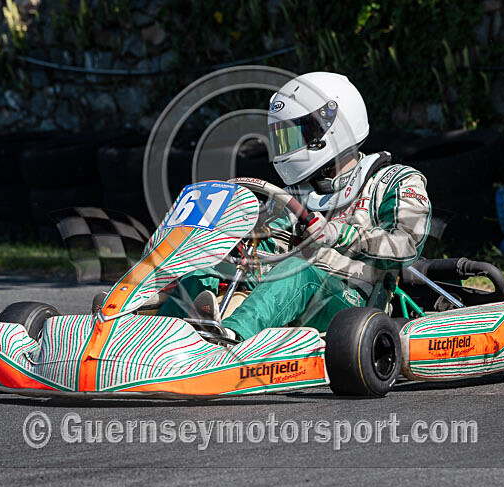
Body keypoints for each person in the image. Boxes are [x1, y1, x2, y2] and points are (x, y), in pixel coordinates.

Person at [158, 71, 431, 341]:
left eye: (299, 134)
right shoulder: (294, 195)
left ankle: (229, 342)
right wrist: (239, 244)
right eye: (285, 137)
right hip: (288, 290)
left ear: (333, 127)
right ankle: (158, 339)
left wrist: (340, 234)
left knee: (296, 270)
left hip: (356, 303)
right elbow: (271, 243)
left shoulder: (395, 181)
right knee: (204, 272)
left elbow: (406, 247)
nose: (290, 146)